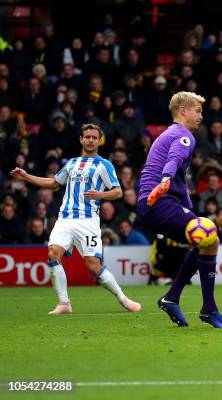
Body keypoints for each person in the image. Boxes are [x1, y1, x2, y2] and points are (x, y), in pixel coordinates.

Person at [10, 124, 141, 315]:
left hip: (88, 221)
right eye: (87, 137)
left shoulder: (104, 165)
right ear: (81, 139)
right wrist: (26, 176)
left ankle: (123, 299)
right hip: (65, 219)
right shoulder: (71, 163)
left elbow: (118, 191)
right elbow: (54, 183)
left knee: (93, 266)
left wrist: (100, 195)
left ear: (99, 141)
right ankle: (64, 302)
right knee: (53, 253)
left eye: (94, 137)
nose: (90, 140)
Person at [136, 91, 222, 329]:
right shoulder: (184, 136)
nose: (201, 116)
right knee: (209, 237)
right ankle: (208, 309)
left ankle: (172, 298)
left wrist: (187, 206)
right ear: (183, 111)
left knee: (207, 241)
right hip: (159, 201)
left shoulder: (169, 134)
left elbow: (180, 181)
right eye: (198, 111)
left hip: (155, 202)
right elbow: (174, 160)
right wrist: (166, 179)